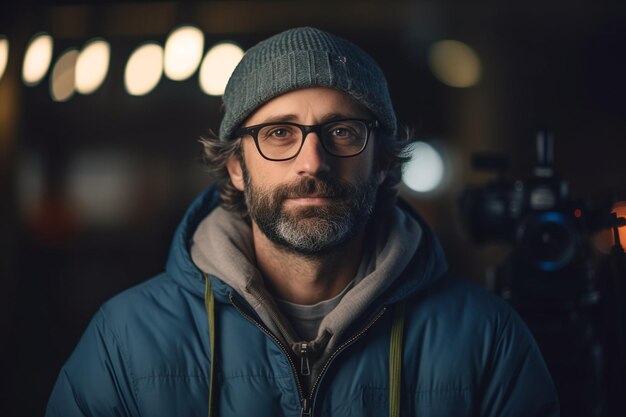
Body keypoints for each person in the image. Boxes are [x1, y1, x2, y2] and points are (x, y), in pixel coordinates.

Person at [45, 27, 559, 417]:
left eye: (341, 131)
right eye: (278, 133)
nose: (312, 162)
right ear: (236, 167)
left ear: (382, 163)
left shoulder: (486, 339)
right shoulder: (126, 339)